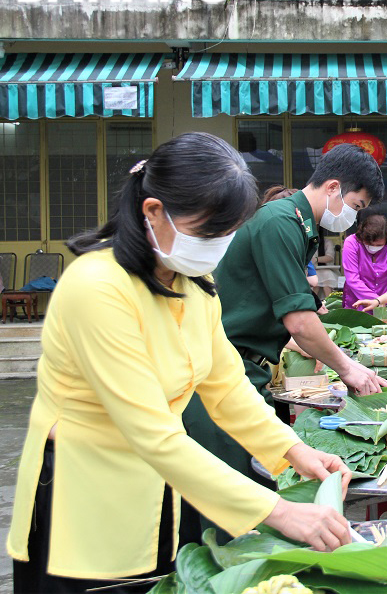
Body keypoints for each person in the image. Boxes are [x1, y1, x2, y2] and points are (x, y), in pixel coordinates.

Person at [6, 134, 352, 594]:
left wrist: (295, 453)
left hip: (160, 487)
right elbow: (152, 431)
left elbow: (226, 388)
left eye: (228, 232)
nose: (219, 245)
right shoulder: (96, 288)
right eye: (209, 231)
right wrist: (279, 511)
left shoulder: (193, 283)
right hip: (84, 494)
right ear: (153, 211)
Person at [181, 143, 387, 543]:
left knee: (236, 497)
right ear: (332, 187)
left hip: (240, 370)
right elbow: (300, 324)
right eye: (356, 205)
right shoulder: (281, 222)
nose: (354, 217)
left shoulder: (298, 227)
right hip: (221, 374)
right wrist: (347, 367)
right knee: (231, 515)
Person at [343, 208, 387, 309]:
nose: (374, 247)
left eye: (379, 245)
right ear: (362, 238)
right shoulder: (351, 242)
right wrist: (376, 300)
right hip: (358, 301)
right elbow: (352, 278)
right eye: (369, 244)